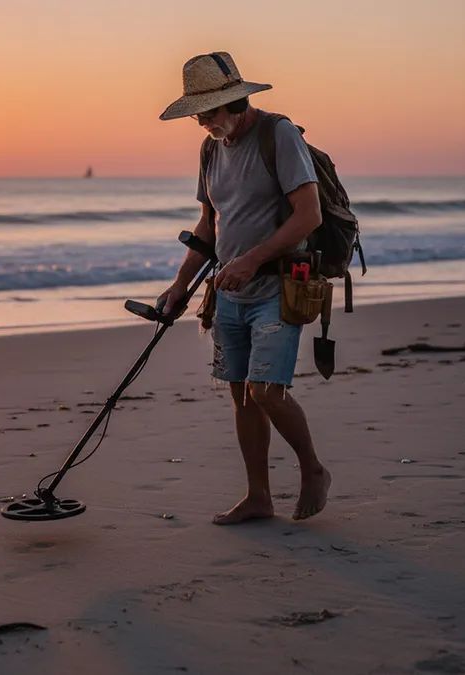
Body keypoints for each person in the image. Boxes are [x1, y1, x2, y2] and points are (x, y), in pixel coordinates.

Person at [156, 51, 331, 524]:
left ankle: (313, 469)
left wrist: (253, 261)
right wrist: (179, 285)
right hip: (228, 291)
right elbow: (209, 224)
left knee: (266, 391)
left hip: (278, 287)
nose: (203, 123)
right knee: (240, 394)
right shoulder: (211, 149)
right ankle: (259, 497)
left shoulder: (279, 136)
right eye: (197, 115)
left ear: (235, 100)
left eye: (209, 113)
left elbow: (309, 215)